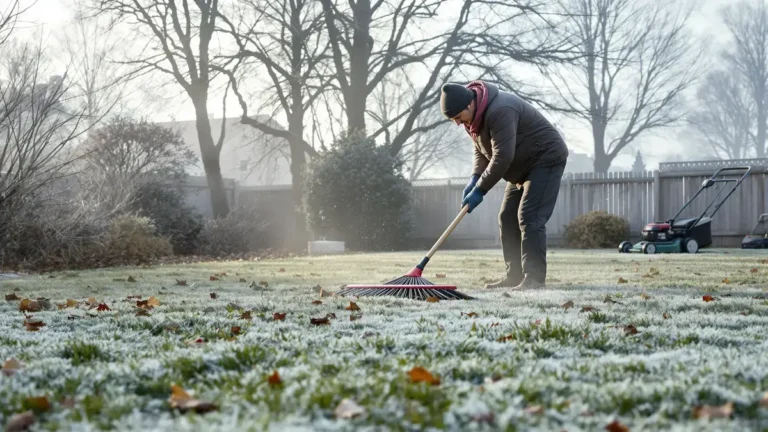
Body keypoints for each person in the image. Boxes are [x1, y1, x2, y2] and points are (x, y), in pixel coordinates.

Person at [440, 80, 568, 290]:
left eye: (457, 117)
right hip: (521, 166)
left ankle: (534, 279)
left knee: (530, 216)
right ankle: (514, 276)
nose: (457, 122)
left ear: (469, 105)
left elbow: (502, 157)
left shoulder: (500, 109)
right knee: (507, 217)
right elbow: (481, 149)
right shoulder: (472, 120)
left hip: (545, 158)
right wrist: (475, 177)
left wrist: (480, 189)